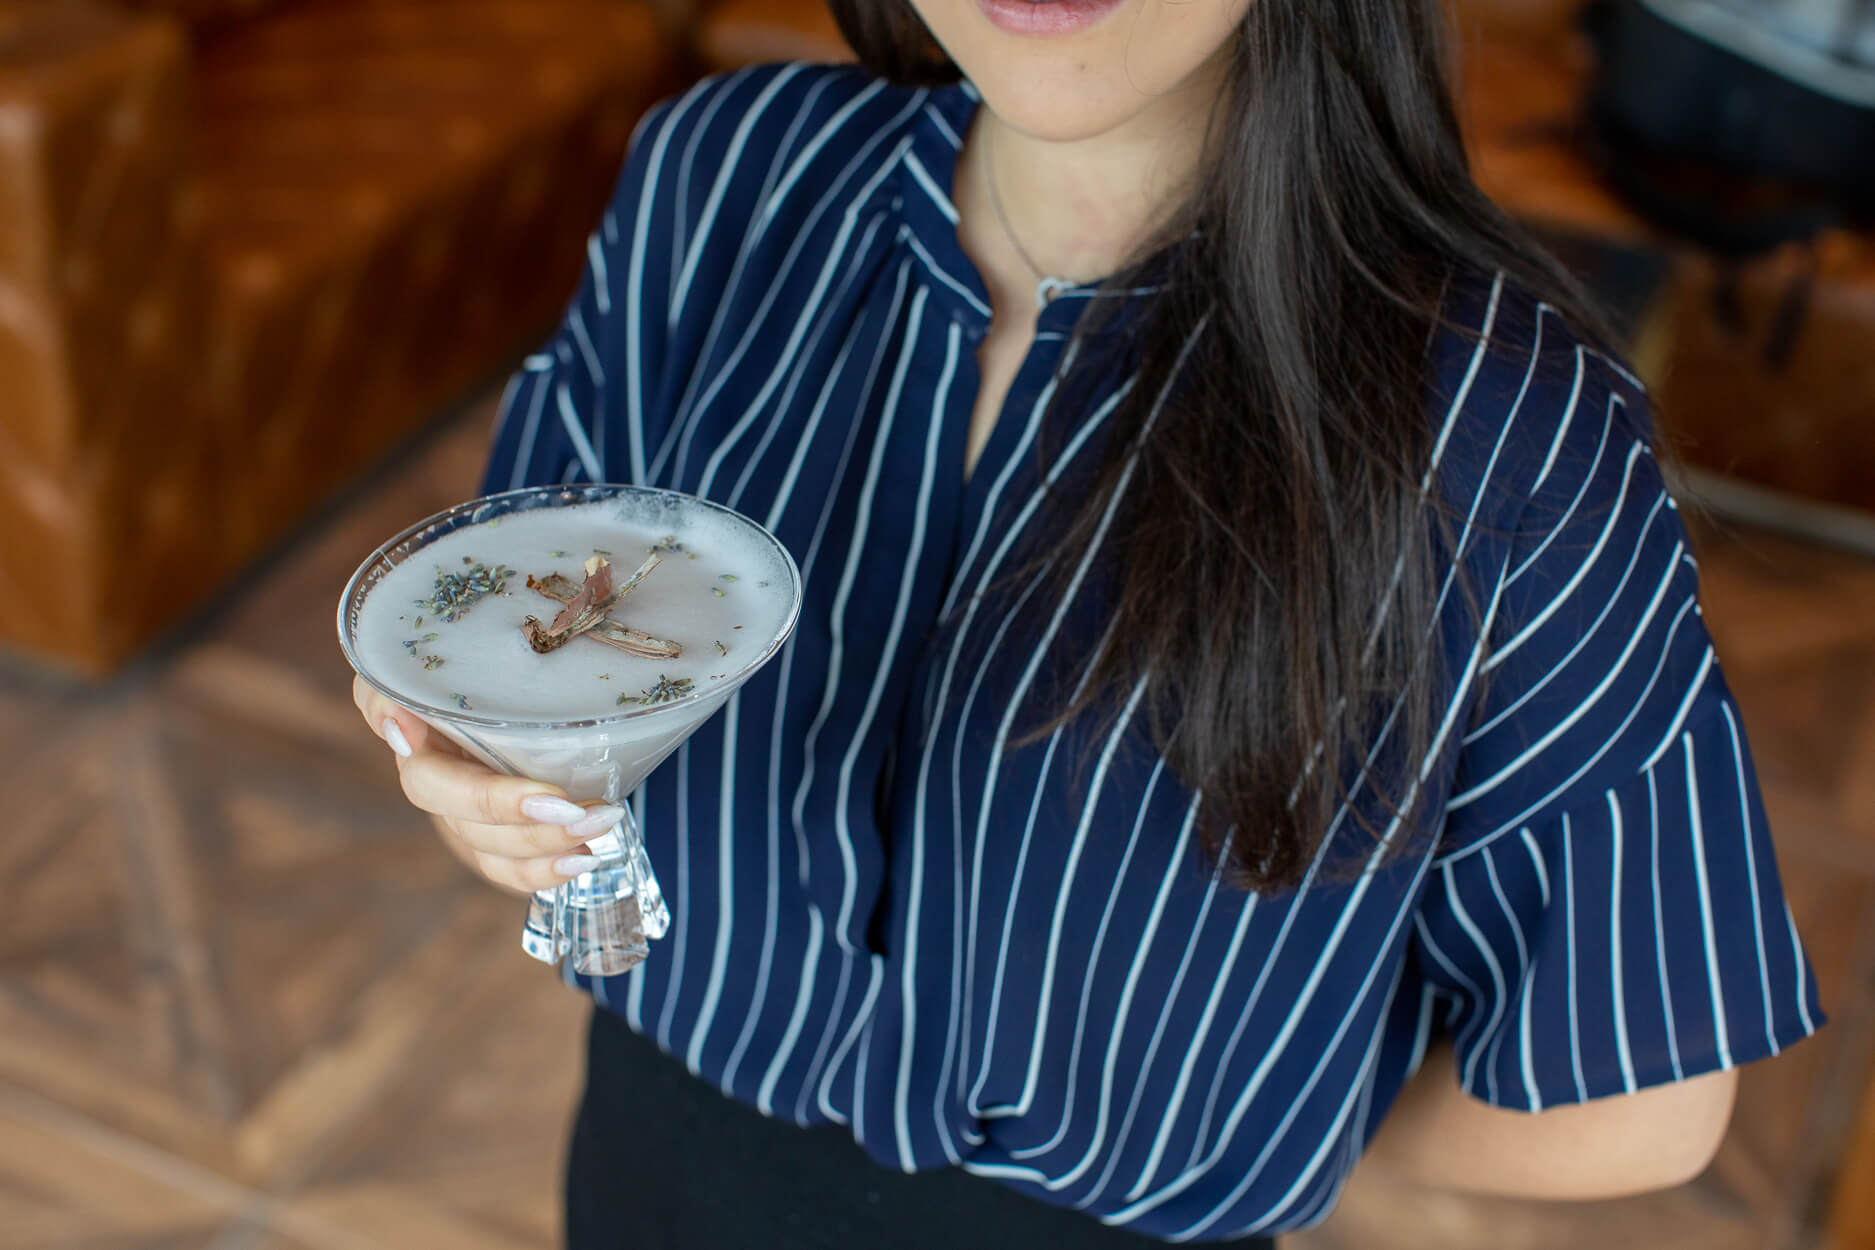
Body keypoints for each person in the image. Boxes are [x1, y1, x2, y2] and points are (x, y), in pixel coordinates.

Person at [353, 0, 1825, 1244]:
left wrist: (1265, 1125)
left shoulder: (1506, 436)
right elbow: (538, 680)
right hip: (651, 1173)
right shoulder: (718, 180)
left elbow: (1633, 1095)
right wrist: (490, 790)